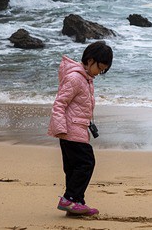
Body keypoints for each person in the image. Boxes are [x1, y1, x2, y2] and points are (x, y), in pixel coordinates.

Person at [48, 40, 113, 216]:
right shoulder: (75, 78)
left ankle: (76, 202)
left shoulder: (86, 79)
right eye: (100, 68)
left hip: (78, 129)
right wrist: (61, 128)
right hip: (70, 130)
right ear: (90, 60)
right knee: (86, 163)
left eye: (104, 70)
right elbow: (59, 103)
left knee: (73, 168)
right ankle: (69, 198)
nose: (100, 73)